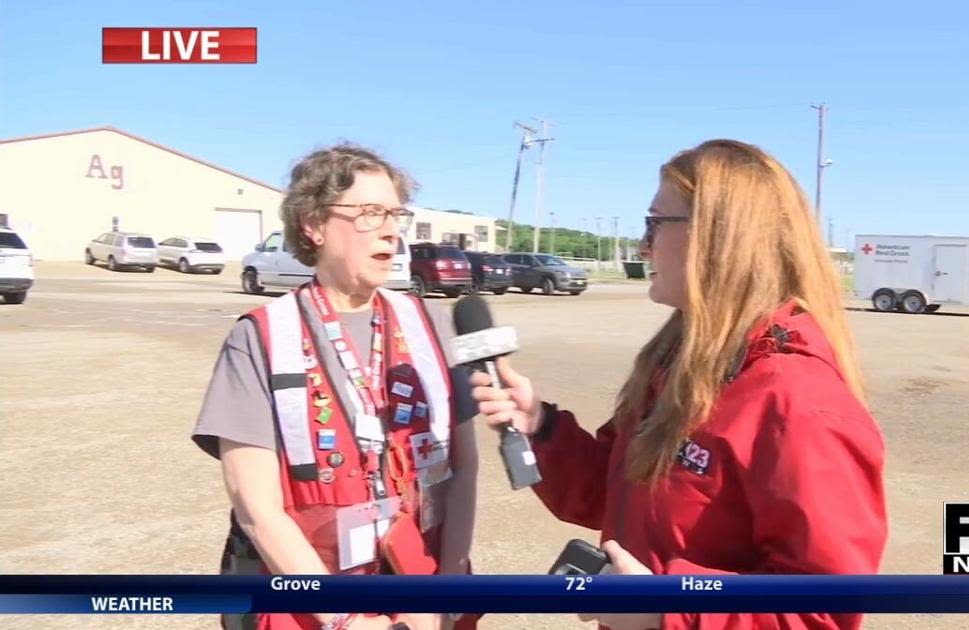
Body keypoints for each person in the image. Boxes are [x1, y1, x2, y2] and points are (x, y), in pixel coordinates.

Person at [471, 139, 888, 630]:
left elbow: (821, 610)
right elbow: (613, 492)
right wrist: (540, 426)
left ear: (719, 236)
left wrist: (667, 609)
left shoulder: (797, 400)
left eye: (654, 223)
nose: (643, 245)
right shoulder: (681, 362)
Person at [193, 144, 478, 630]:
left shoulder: (431, 325)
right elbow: (256, 507)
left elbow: (465, 468)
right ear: (314, 223)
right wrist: (344, 619)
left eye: (395, 214)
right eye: (369, 213)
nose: (391, 230)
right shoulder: (261, 338)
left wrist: (445, 589)